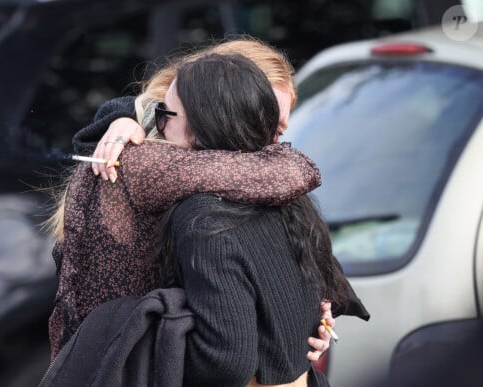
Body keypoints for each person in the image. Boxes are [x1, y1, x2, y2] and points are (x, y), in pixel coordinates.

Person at [47, 37, 369, 361]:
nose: (267, 144)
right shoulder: (157, 164)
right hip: (117, 364)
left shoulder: (195, 158)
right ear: (215, 107)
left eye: (278, 131)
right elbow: (294, 173)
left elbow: (297, 241)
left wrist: (315, 308)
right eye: (255, 118)